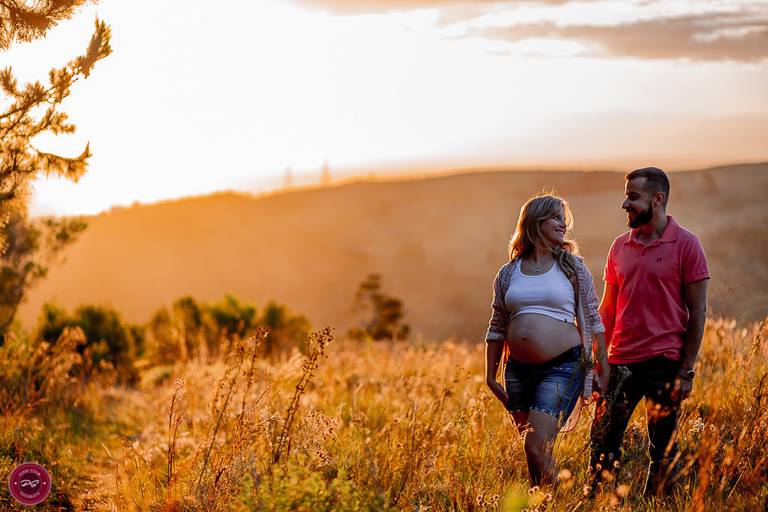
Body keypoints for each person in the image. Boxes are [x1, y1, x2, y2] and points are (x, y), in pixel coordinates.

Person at [589, 167, 710, 497]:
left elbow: (697, 313)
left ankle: (658, 503)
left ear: (658, 199)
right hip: (619, 361)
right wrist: (600, 364)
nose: (624, 204)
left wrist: (686, 371)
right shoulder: (619, 246)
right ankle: (597, 502)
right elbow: (608, 310)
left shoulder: (687, 244)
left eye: (633, 197)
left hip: (664, 363)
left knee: (663, 452)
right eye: (625, 196)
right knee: (602, 444)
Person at [485, 194, 609, 487]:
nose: (563, 224)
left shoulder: (572, 267)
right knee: (534, 453)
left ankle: (561, 501)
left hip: (562, 366)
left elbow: (593, 318)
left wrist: (603, 368)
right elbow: (497, 324)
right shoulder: (509, 272)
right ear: (535, 222)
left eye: (564, 219)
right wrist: (490, 375)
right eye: (555, 217)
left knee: (535, 446)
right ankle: (542, 502)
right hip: (518, 371)